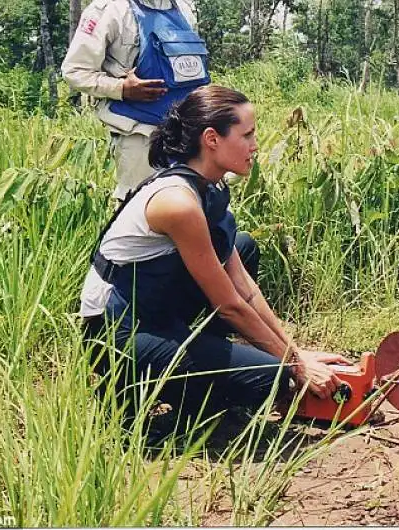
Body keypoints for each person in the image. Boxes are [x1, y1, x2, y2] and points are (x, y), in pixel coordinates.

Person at [81, 85, 347, 431]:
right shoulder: (178, 202)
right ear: (212, 139)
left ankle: (204, 367)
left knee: (243, 245)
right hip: (117, 333)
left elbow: (243, 286)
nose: (255, 145)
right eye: (247, 135)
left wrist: (295, 352)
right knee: (270, 379)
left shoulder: (210, 186)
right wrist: (294, 367)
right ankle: (134, 404)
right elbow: (229, 305)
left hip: (152, 309)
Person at [61, 0, 210, 200]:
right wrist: (121, 89)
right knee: (141, 212)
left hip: (190, 135)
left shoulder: (185, 9)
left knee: (200, 206)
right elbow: (75, 71)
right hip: (140, 136)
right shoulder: (109, 9)